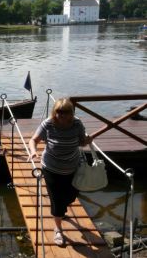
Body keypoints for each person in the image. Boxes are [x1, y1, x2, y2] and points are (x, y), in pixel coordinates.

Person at [28, 98, 92, 246]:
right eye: (58, 112)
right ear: (54, 111)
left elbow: (81, 141)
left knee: (70, 196)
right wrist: (33, 151)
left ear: (71, 112)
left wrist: (87, 140)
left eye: (65, 112)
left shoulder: (77, 123)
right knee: (57, 200)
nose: (61, 115)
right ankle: (58, 229)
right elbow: (34, 140)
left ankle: (61, 211)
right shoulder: (48, 123)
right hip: (51, 167)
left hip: (72, 167)